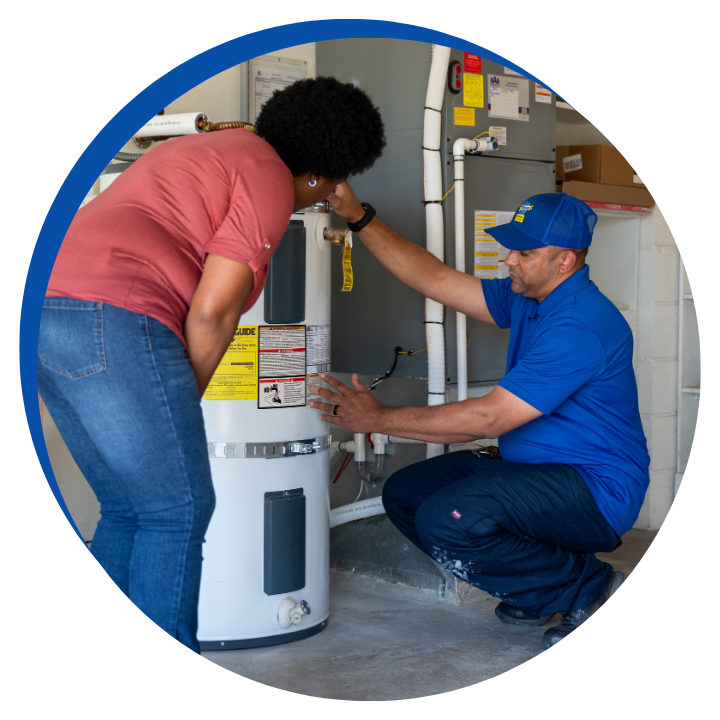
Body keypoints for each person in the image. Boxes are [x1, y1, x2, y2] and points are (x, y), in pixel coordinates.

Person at [37, 77, 386, 653]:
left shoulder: (208, 151)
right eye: (324, 191)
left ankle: (92, 661)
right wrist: (176, 405)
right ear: (323, 173)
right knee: (179, 507)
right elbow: (214, 312)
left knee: (128, 506)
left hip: (48, 309)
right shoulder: (270, 177)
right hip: (116, 311)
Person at [310, 185, 650, 649]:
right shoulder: (530, 299)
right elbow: (434, 278)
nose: (509, 259)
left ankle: (596, 592)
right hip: (535, 472)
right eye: (511, 247)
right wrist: (357, 215)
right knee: (408, 494)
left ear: (565, 261)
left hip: (595, 489)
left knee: (448, 518)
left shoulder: (580, 324)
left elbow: (490, 418)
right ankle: (537, 588)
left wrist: (377, 419)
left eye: (525, 252)